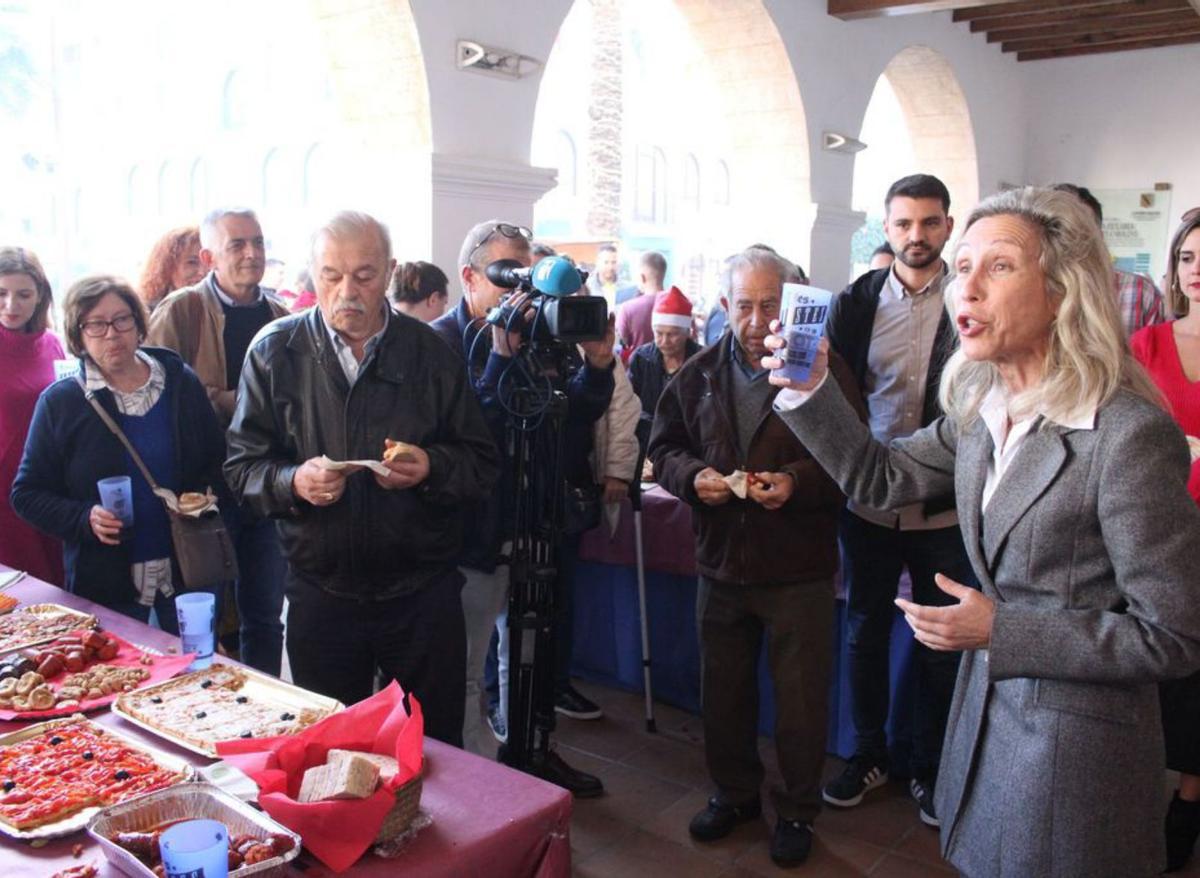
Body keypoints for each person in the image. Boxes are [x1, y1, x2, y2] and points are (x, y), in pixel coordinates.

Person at [766, 185, 1200, 878]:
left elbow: (1175, 636)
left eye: (998, 266)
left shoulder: (1126, 435)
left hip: (1076, 752)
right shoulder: (981, 411)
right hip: (990, 720)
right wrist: (809, 388)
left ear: (1062, 290)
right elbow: (880, 480)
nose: (966, 286)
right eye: (962, 266)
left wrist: (1001, 630)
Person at [224, 211, 500, 745]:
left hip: (421, 594)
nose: (347, 291)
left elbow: (480, 463)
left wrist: (431, 468)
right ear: (312, 272)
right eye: (331, 275)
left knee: (431, 748)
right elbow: (242, 469)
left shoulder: (432, 352)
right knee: (331, 753)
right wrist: (292, 481)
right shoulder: (275, 351)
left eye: (365, 275)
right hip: (322, 594)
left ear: (391, 272)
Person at [648, 246, 863, 868]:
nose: (758, 317)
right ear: (724, 307)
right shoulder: (696, 373)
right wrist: (693, 479)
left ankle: (797, 809)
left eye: (771, 304)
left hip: (797, 567)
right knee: (725, 693)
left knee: (799, 702)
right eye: (745, 304)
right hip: (721, 563)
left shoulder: (822, 372)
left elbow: (852, 461)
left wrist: (796, 481)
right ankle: (735, 793)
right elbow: (663, 448)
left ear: (791, 305)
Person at [820, 173, 975, 828]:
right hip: (870, 502)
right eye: (904, 223)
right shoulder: (853, 304)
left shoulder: (971, 300)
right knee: (864, 629)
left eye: (930, 222)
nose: (917, 235)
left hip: (943, 502)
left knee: (941, 637)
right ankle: (868, 753)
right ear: (885, 228)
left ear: (947, 225)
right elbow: (836, 395)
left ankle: (929, 765)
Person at [12, 276, 228, 628]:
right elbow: (26, 494)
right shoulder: (61, 403)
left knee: (200, 673)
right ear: (78, 335)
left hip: (190, 567)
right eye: (96, 324)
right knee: (122, 676)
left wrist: (204, 498)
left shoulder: (179, 382)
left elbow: (216, 461)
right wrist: (84, 518)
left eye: (122, 319)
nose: (112, 333)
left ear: (139, 324)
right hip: (107, 579)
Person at [146, 208, 290, 676]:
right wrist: (230, 400)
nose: (252, 254)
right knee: (202, 619)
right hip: (204, 492)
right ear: (209, 256)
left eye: (259, 242)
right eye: (238, 245)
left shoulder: (281, 318)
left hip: (264, 487)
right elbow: (155, 392)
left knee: (265, 614)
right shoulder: (183, 311)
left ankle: (270, 704)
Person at [1130, 207, 1200, 872]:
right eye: (1187, 257)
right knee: (1158, 660)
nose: (1197, 269)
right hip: (1153, 528)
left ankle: (1189, 794)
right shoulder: (1146, 344)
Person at [0, 247, 65, 585]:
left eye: (23, 294)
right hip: (2, 491)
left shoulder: (53, 344)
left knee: (53, 590)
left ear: (40, 296)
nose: (12, 305)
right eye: (2, 293)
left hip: (46, 483)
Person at [1053, 183, 1167, 335]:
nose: (1069, 238)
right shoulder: (1025, 291)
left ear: (1099, 235)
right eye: (1057, 227)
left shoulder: (1140, 293)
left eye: (1082, 228)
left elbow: (1156, 356)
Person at [628, 285, 700, 456]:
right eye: (658, 333)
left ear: (687, 332)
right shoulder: (641, 358)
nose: (665, 341)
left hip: (688, 447)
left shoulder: (702, 361)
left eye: (673, 334)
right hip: (646, 442)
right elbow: (630, 404)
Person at [615, 251, 667, 364]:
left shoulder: (628, 309)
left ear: (642, 277)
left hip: (637, 376)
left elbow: (619, 348)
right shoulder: (679, 308)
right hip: (674, 378)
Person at [137, 227, 204, 313]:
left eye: (208, 261)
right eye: (192, 262)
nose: (203, 272)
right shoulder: (145, 313)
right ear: (167, 266)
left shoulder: (219, 305)